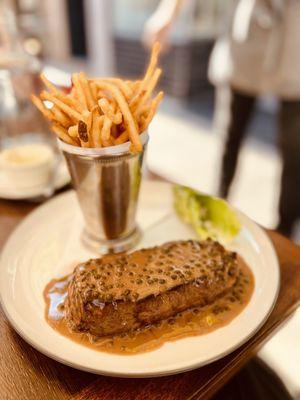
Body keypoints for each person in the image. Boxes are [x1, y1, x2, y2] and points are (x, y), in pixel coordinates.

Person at [143, 0, 300, 237]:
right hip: (246, 44)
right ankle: (216, 210)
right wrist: (168, 12)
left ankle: (284, 232)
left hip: (294, 51)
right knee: (230, 136)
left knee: (294, 153)